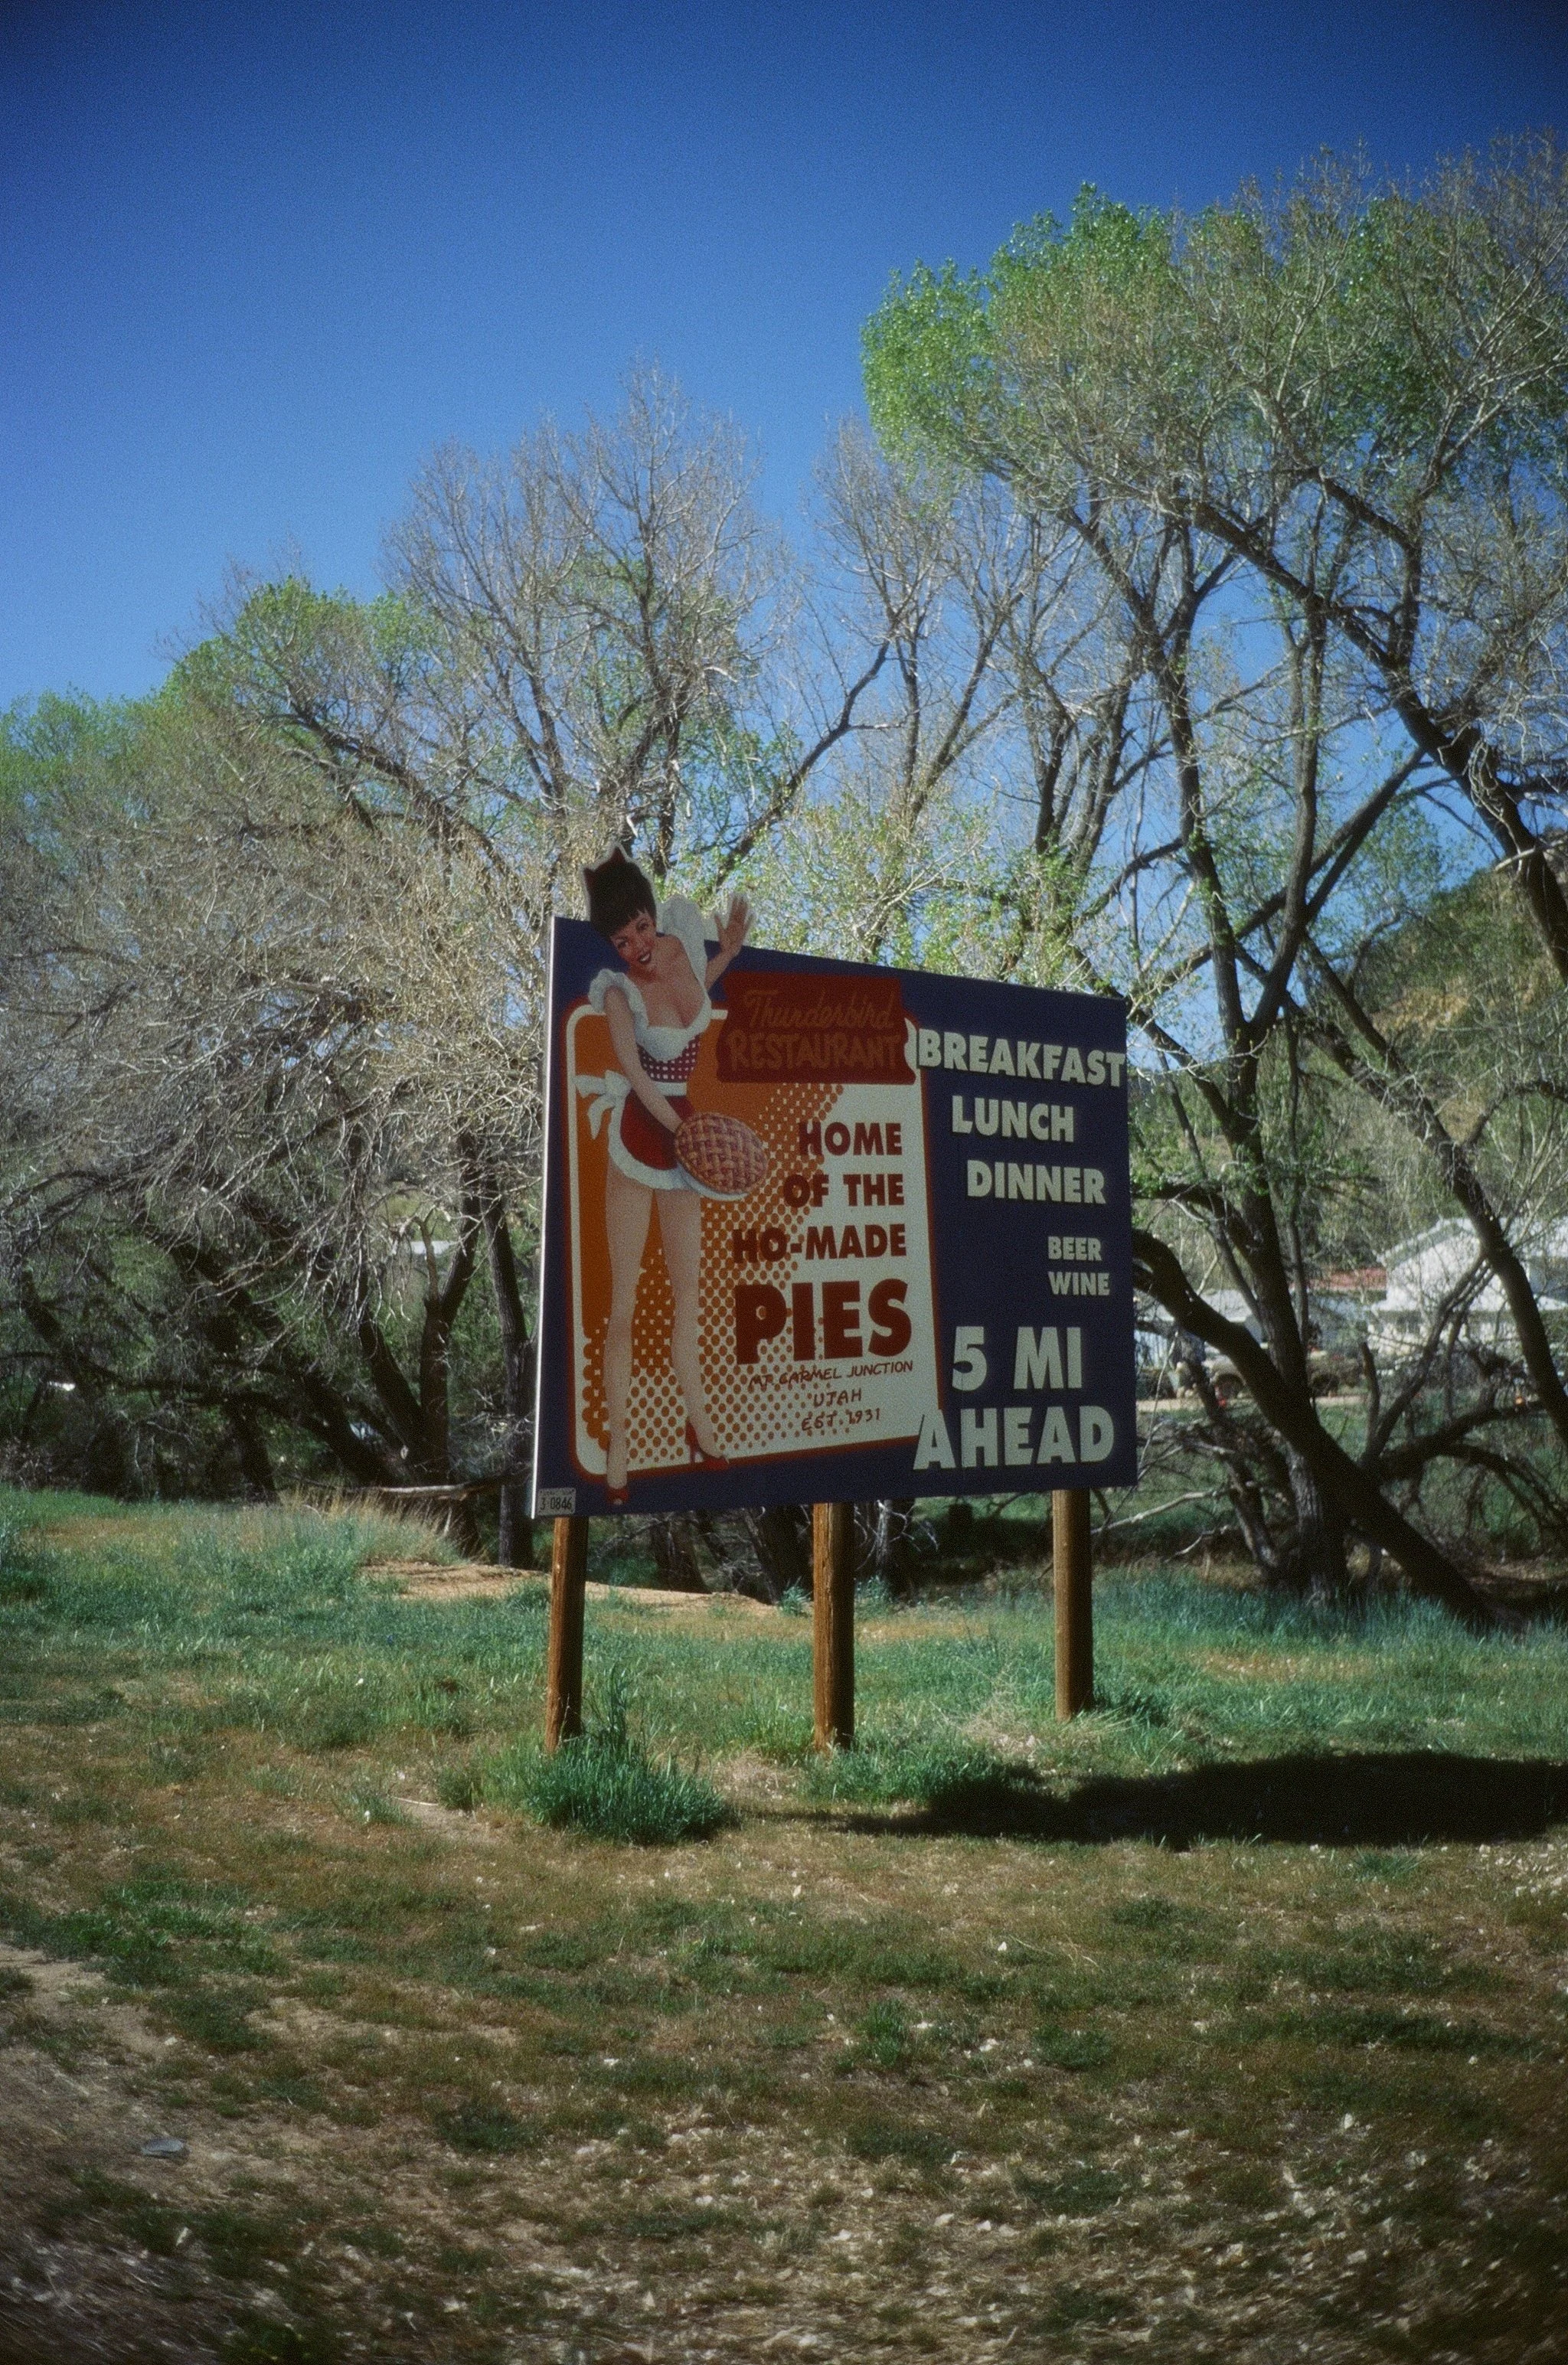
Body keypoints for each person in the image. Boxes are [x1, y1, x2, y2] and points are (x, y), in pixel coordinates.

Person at [577, 849, 750, 1502]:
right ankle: (621, 1437)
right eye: (623, 940)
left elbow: (694, 992)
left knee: (689, 1291)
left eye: (642, 928)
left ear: (654, 915)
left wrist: (728, 954)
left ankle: (697, 1416)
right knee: (624, 1302)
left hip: (688, 1134)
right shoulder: (618, 993)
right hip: (642, 1133)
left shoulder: (679, 946)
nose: (638, 946)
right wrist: (684, 1133)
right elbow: (642, 1075)